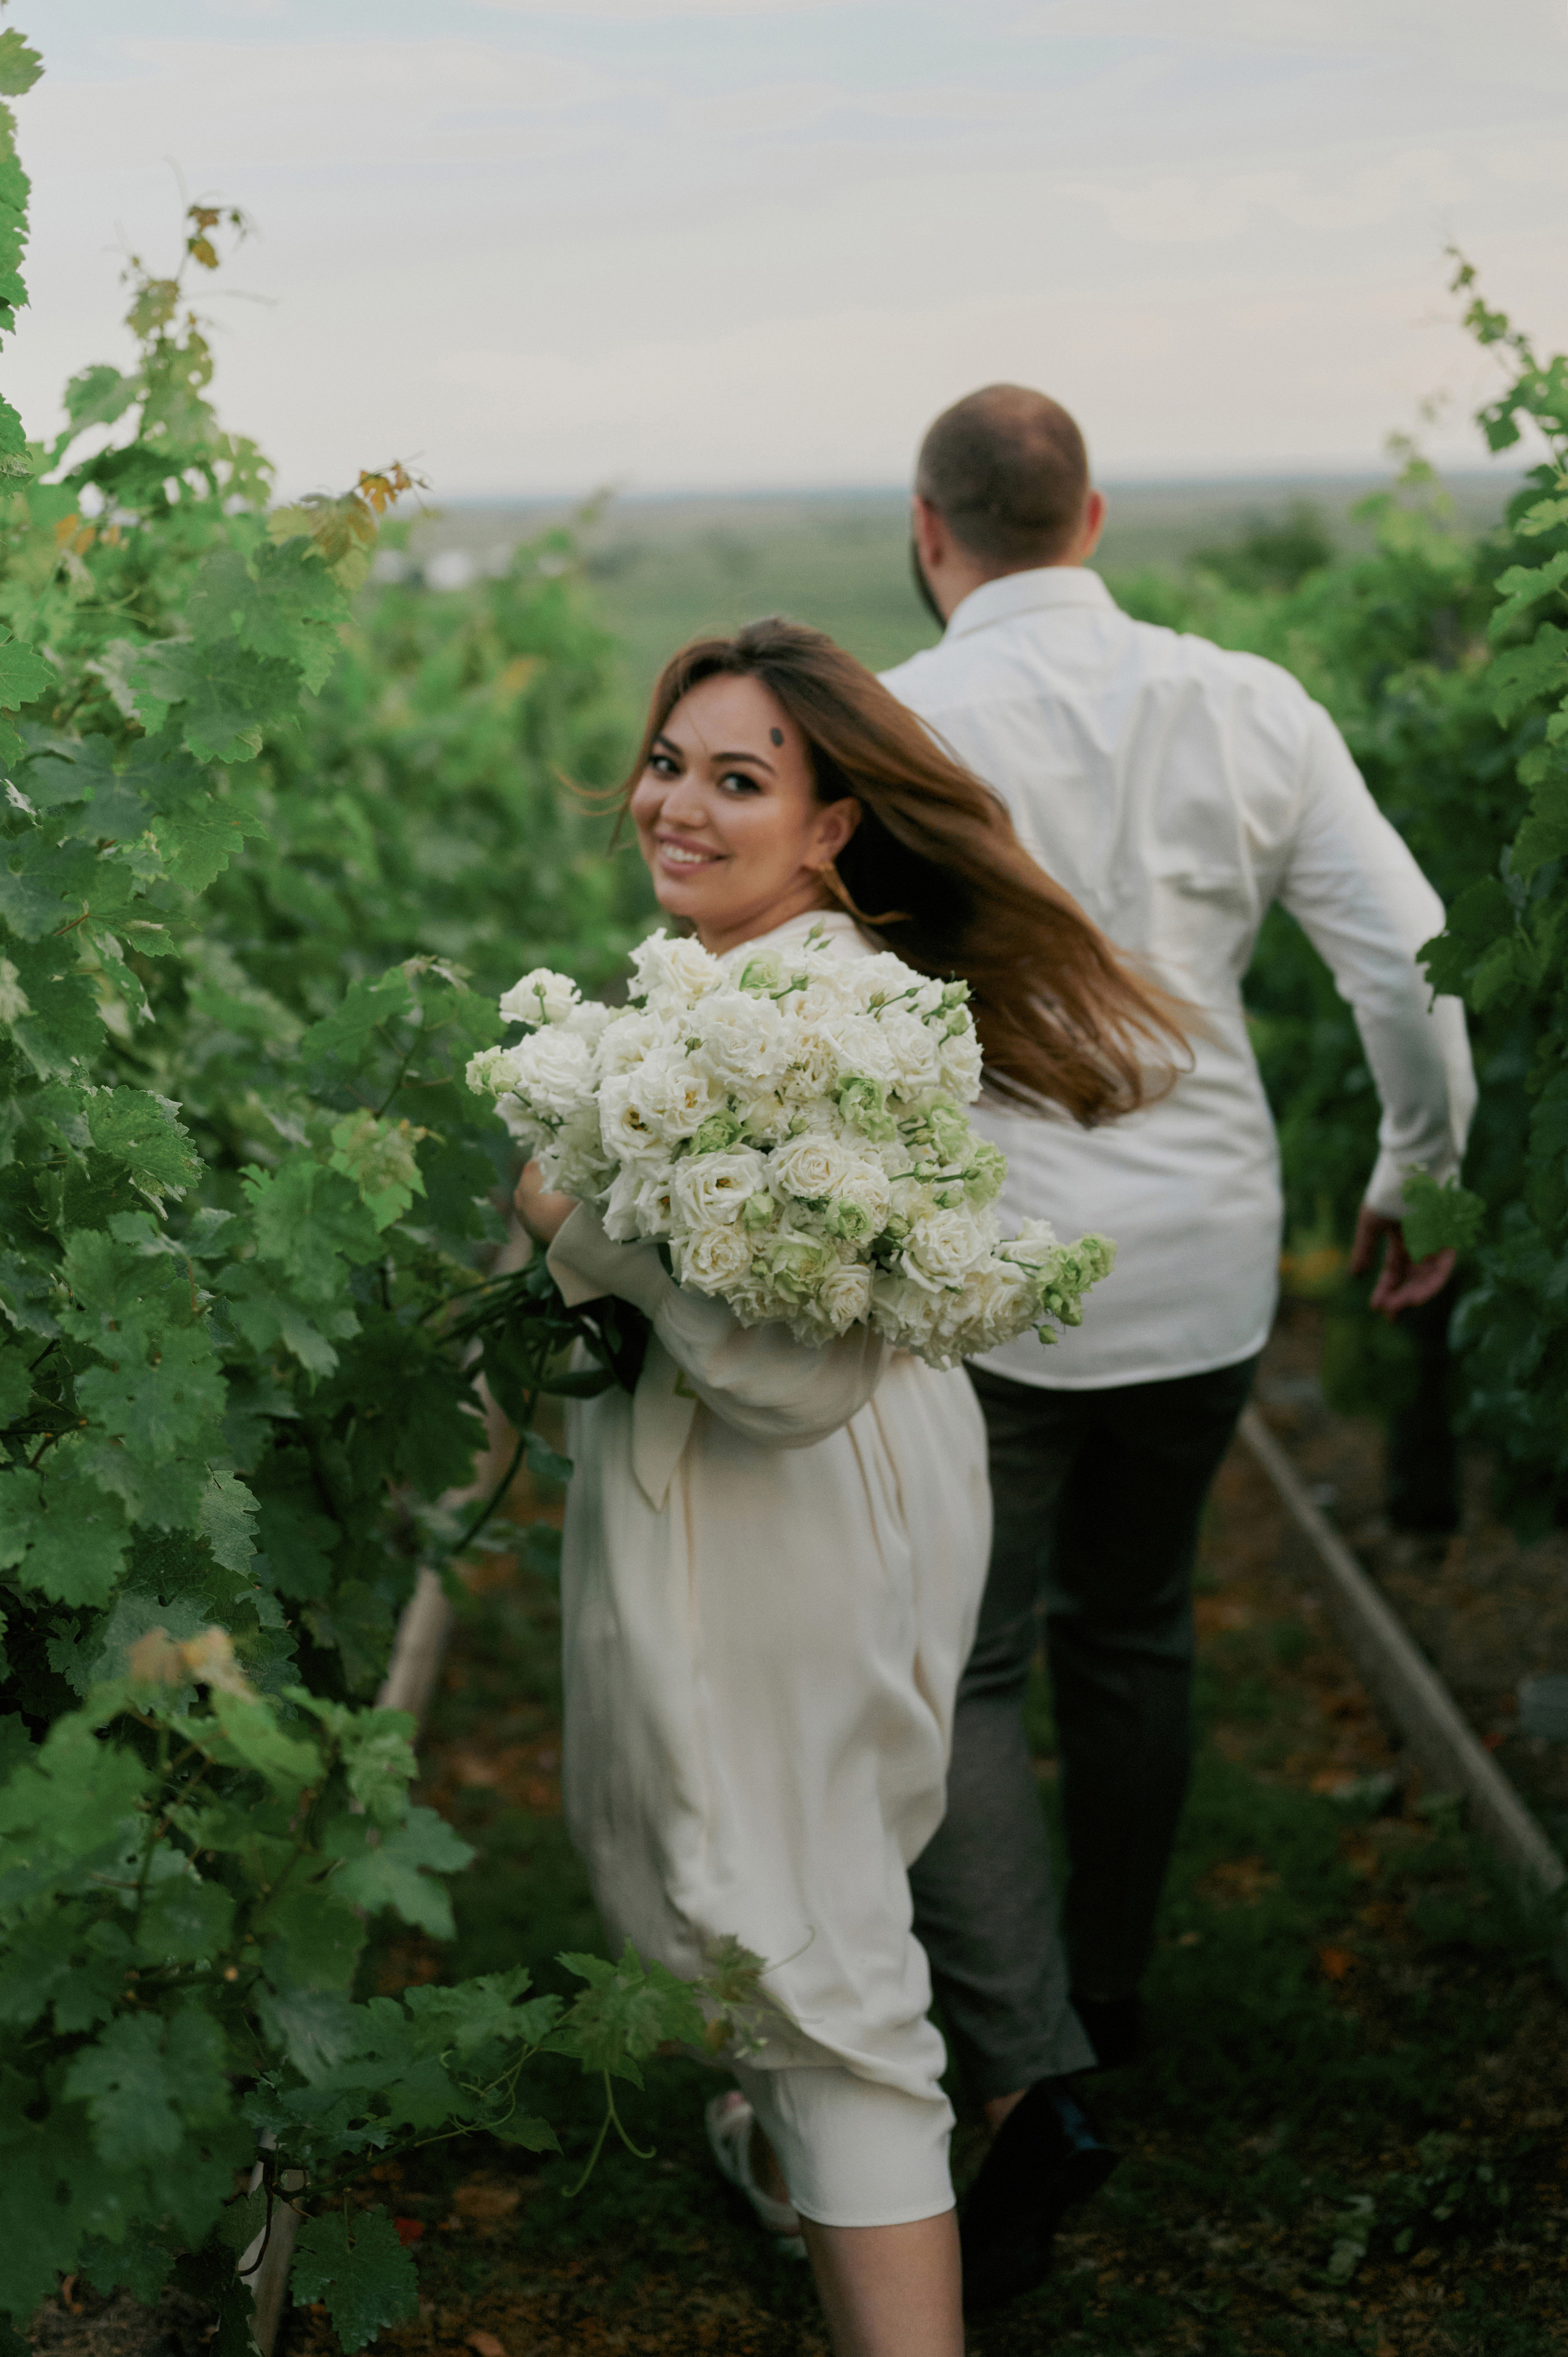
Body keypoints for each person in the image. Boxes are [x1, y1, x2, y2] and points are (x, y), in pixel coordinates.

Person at [515, 617, 1181, 2354]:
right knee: (802, 1933)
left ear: (830, 828)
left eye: (740, 779)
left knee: (827, 1974)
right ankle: (819, 2205)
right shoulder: (760, 986)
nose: (677, 802)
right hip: (815, 1503)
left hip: (791, 1521)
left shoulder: (830, 1015)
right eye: (671, 761)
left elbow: (778, 1377)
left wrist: (568, 1226)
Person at [880, 385, 1477, 2298]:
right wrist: (1416, 1166)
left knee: (966, 1667)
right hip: (1208, 1258)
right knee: (1132, 1627)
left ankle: (1028, 2059)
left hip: (990, 1270)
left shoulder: (898, 725)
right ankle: (1114, 1994)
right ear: (1097, 516)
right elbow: (1409, 958)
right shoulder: (1252, 704)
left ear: (929, 530)